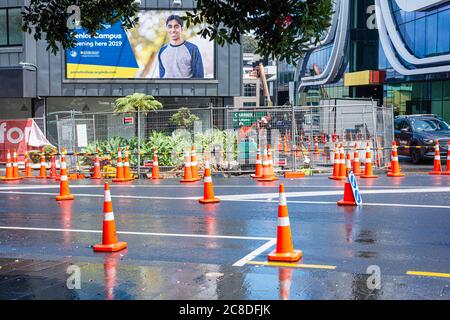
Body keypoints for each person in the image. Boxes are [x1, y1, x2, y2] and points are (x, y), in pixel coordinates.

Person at [158, 15, 205, 79]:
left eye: (176, 27)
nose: (173, 30)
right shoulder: (162, 51)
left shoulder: (193, 49)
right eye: (170, 27)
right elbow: (162, 76)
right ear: (167, 29)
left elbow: (199, 77)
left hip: (186, 88)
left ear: (182, 29)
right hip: (167, 88)